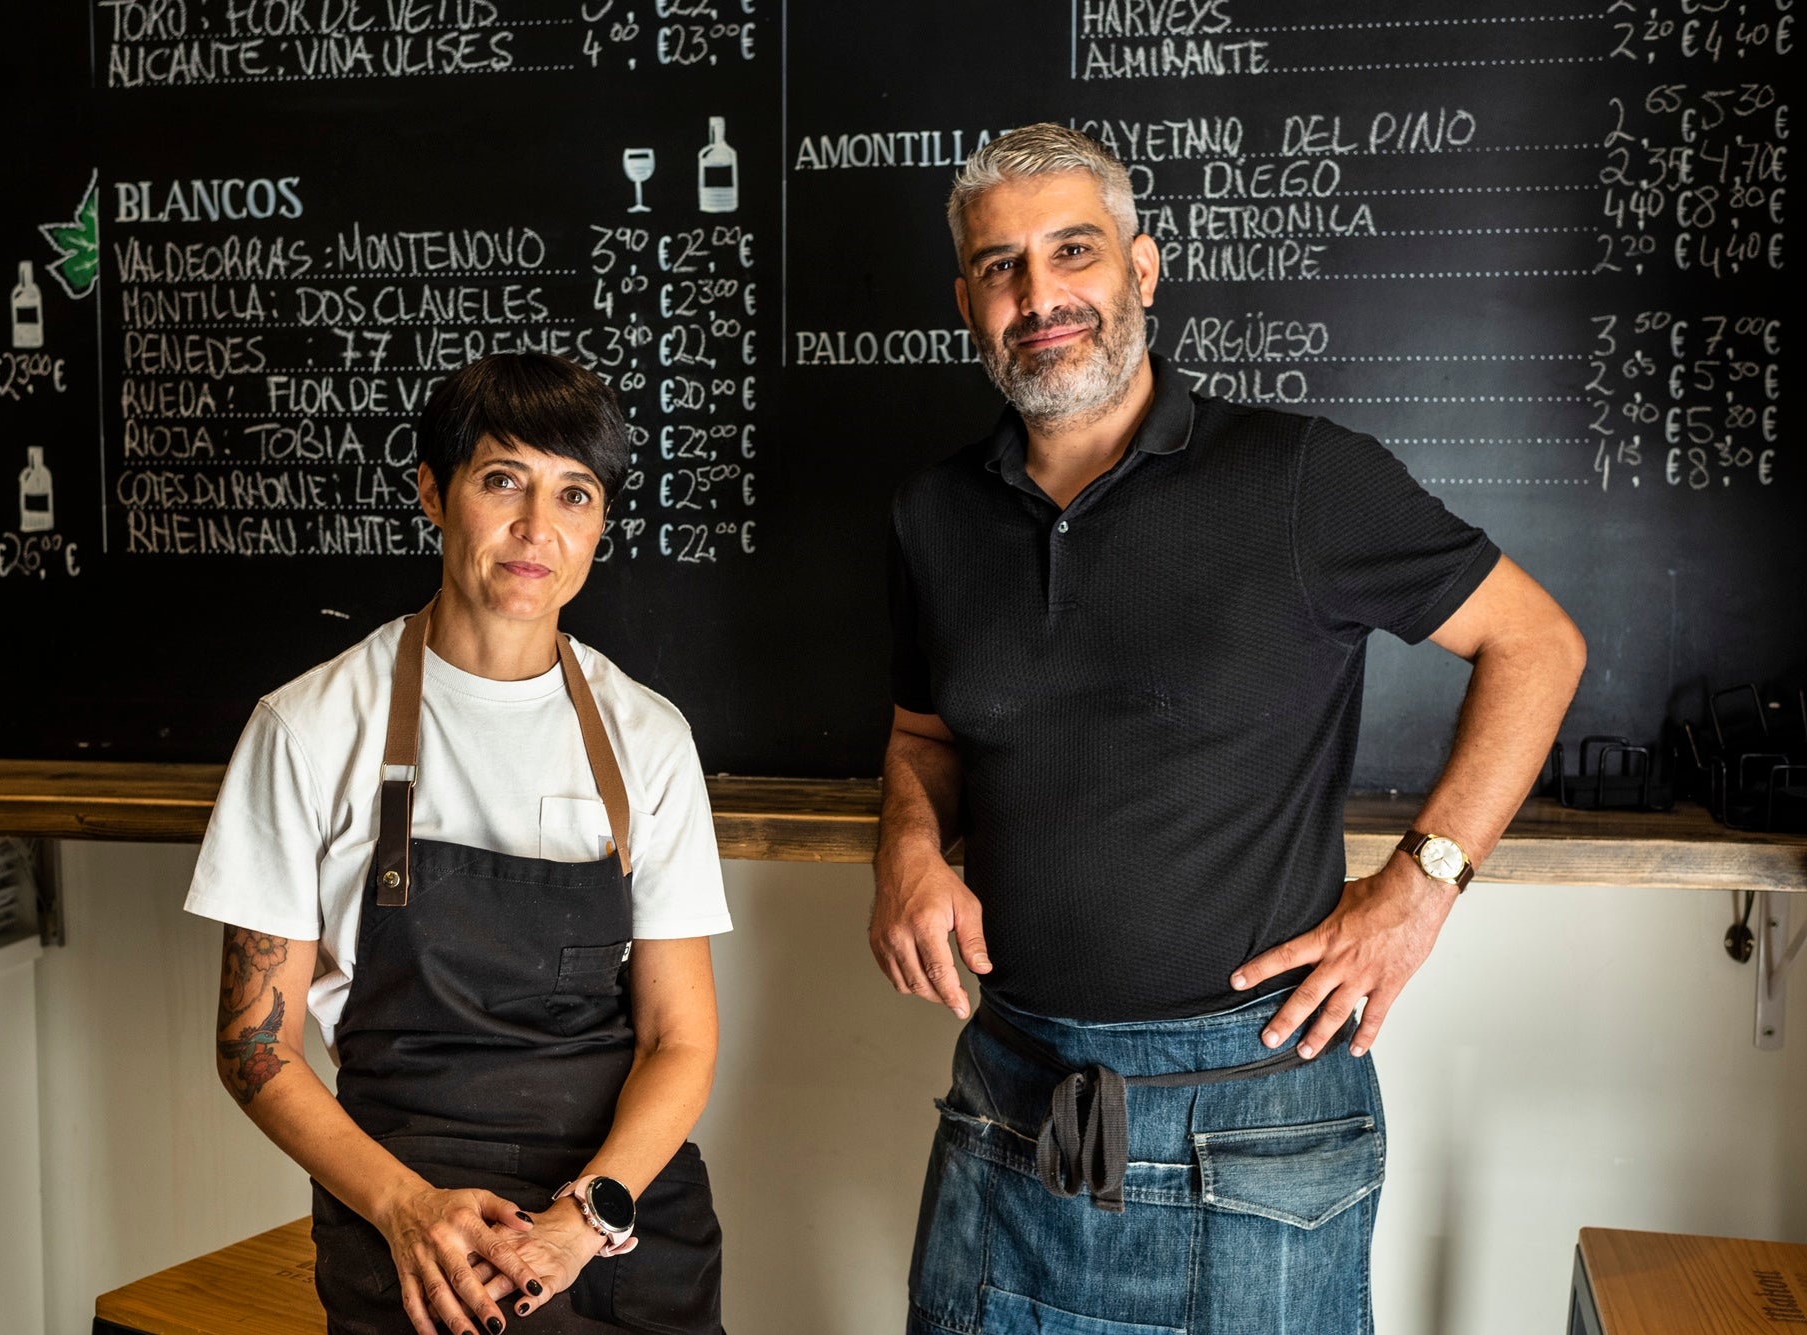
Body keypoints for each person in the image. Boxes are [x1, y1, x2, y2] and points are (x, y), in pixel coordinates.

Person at [871, 123, 1587, 1333]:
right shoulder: (932, 515)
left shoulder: (1302, 479)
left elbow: (1538, 645)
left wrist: (1421, 887)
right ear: (965, 300)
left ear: (1141, 270)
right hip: (1007, 1098)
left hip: (1253, 1122)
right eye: (1001, 266)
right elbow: (923, 739)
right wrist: (904, 848)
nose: (1039, 295)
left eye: (1072, 252)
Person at [185, 353, 734, 1335]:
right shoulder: (308, 728)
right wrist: (404, 1209)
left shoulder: (646, 738)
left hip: (612, 1218)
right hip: (409, 1220)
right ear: (434, 494)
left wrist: (578, 1221)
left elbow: (677, 1038)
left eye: (574, 492)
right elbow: (253, 1043)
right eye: (501, 480)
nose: (537, 527)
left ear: (599, 524)